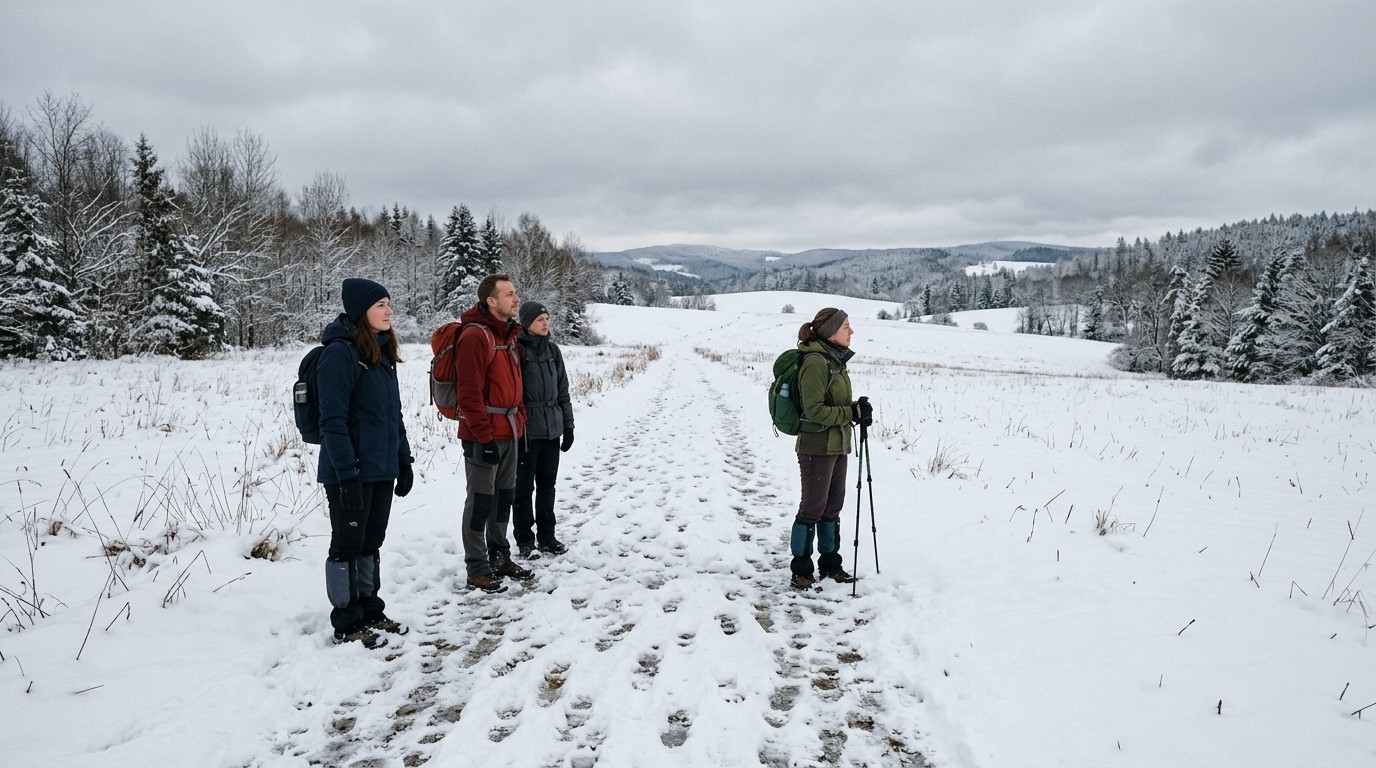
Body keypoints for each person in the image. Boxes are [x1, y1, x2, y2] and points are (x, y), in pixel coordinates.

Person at [317, 278, 415, 647]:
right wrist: (347, 476)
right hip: (351, 471)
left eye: (389, 303)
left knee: (371, 540)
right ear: (362, 312)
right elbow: (332, 421)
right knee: (347, 544)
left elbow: (393, 416)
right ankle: (347, 620)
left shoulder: (382, 354)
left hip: (381, 468)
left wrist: (403, 460)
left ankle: (370, 609)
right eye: (380, 305)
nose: (389, 311)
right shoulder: (339, 355)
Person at [455, 274, 534, 591]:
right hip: (483, 435)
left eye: (515, 293)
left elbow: (515, 386)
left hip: (510, 432)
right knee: (480, 503)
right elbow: (468, 394)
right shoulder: (475, 336)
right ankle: (477, 567)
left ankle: (500, 557)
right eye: (510, 294)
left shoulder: (509, 334)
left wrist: (521, 424)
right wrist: (484, 437)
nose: (517, 299)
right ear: (491, 300)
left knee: (504, 499)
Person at [789, 307, 872, 589]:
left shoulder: (835, 360)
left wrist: (858, 409)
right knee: (812, 508)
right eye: (846, 326)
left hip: (838, 445)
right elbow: (813, 410)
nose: (851, 331)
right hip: (816, 446)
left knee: (833, 508)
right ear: (830, 331)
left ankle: (830, 565)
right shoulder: (816, 361)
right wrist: (850, 413)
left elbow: (835, 404)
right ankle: (801, 569)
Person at [513, 300, 575, 559]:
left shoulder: (553, 350)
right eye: (540, 319)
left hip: (552, 429)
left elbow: (563, 391)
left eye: (547, 318)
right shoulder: (516, 350)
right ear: (527, 323)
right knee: (523, 489)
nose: (545, 323)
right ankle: (525, 540)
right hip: (527, 432)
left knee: (548, 486)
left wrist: (568, 425)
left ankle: (547, 537)